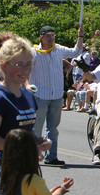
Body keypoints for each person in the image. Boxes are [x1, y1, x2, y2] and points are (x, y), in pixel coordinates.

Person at [0, 36, 49, 195]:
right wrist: (28, 148)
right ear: (4, 65)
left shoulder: (28, 95)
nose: (25, 70)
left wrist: (39, 141)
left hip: (28, 169)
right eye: (18, 64)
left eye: (28, 64)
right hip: (7, 171)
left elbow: (26, 132)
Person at [27, 25, 84, 166]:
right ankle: (33, 157)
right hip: (40, 95)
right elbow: (26, 70)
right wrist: (27, 87)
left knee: (53, 129)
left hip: (56, 95)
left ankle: (51, 157)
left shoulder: (58, 49)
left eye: (53, 35)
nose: (51, 38)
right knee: (37, 129)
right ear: (41, 37)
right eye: (48, 35)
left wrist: (80, 36)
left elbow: (76, 51)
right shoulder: (33, 52)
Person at [0, 129, 74, 195]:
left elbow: (36, 194)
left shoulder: (6, 175)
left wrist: (54, 189)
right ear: (31, 153)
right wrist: (62, 189)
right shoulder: (33, 180)